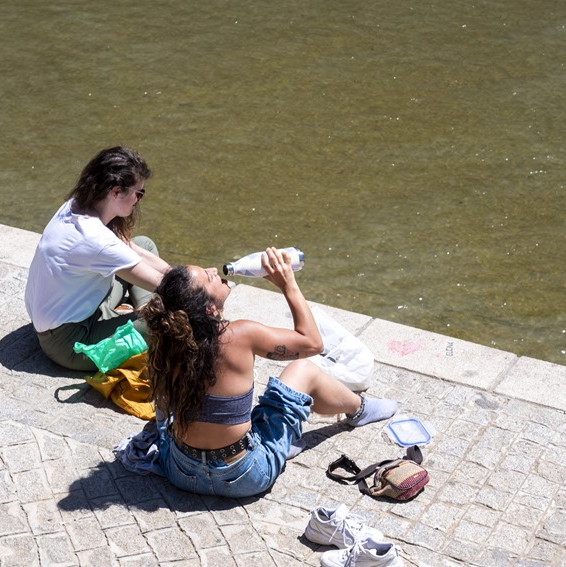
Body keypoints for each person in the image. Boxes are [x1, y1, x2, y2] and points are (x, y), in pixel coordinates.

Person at [140, 247, 398, 498]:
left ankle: (281, 441)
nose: (212, 269)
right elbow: (313, 343)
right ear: (209, 309)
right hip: (245, 476)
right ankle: (359, 410)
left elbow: (164, 406)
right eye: (208, 277)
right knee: (303, 370)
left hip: (180, 472)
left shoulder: (166, 340)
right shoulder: (238, 335)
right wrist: (288, 284)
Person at [25, 146, 171, 371]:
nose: (139, 201)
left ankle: (144, 309)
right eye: (138, 193)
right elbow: (166, 286)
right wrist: (200, 286)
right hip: (69, 342)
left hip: (82, 308)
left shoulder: (75, 206)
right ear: (115, 191)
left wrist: (177, 273)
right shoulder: (95, 239)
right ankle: (145, 315)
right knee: (167, 322)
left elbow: (133, 250)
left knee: (144, 244)